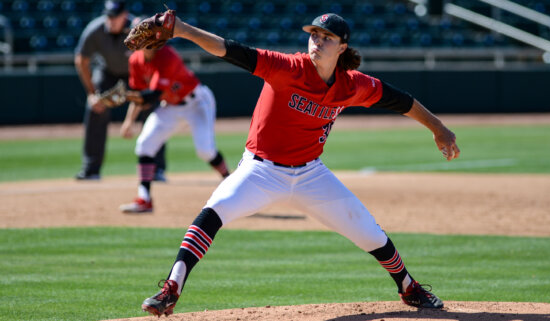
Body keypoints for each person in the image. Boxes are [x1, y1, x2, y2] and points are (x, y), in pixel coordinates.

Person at [138, 12, 460, 316]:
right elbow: (229, 50)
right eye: (314, 35)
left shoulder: (352, 84)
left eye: (327, 37)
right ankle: (171, 287)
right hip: (261, 170)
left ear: (342, 47)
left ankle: (408, 287)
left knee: (369, 233)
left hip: (311, 175)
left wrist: (438, 128)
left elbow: (400, 100)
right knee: (214, 210)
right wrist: (181, 29)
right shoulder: (287, 67)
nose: (317, 41)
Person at [118, 45, 230, 213]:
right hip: (170, 105)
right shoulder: (135, 60)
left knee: (205, 151)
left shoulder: (167, 55)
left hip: (196, 102)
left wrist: (125, 96)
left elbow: (153, 95)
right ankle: (145, 199)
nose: (137, 38)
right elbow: (139, 94)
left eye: (143, 34)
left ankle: (230, 182)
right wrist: (129, 121)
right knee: (144, 144)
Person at [74, 0, 167, 181]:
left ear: (125, 15)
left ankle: (156, 168)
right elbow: (81, 61)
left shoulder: (137, 28)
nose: (111, 20)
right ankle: (91, 169)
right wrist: (92, 93)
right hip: (108, 73)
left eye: (115, 16)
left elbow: (155, 54)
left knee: (152, 110)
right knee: (95, 108)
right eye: (108, 15)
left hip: (137, 72)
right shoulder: (96, 29)